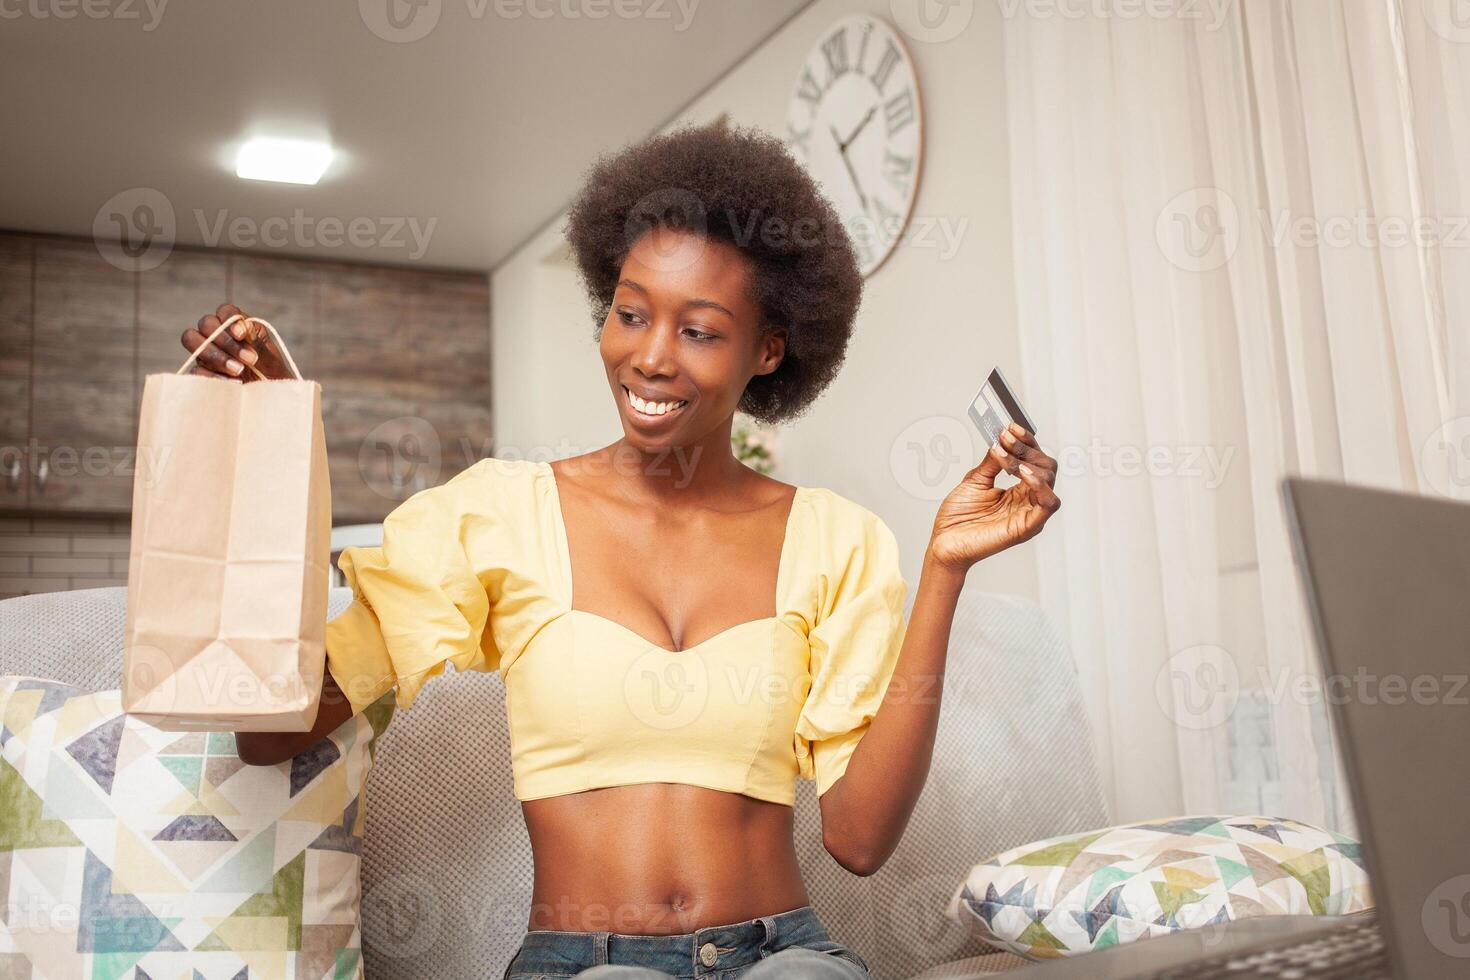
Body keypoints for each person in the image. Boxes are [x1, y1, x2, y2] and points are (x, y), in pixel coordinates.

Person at [179, 122, 1061, 979]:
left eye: (700, 330)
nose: (650, 358)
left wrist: (946, 568)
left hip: (785, 953)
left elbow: (860, 840)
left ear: (768, 350)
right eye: (631, 315)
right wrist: (277, 451)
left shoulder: (835, 538)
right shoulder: (501, 513)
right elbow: (269, 734)